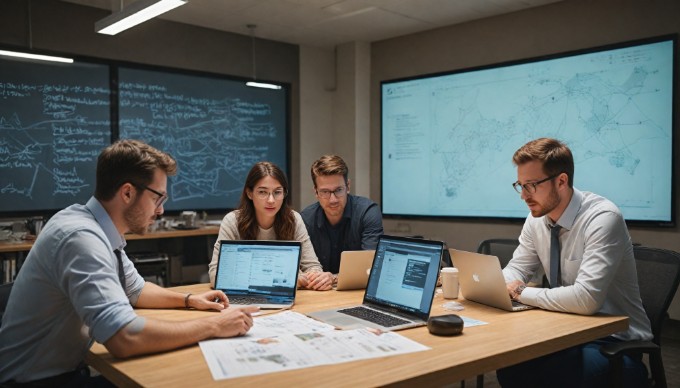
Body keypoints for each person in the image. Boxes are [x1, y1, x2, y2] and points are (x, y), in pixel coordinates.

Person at [0, 139, 257, 386]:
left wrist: (189, 300)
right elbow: (124, 337)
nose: (160, 211)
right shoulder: (80, 238)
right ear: (127, 192)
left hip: (61, 371)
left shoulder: (96, 227)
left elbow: (134, 289)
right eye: (158, 198)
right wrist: (215, 325)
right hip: (35, 382)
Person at [496, 138, 652, 388]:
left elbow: (586, 299)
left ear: (561, 180)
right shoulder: (537, 219)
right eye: (520, 185)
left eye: (532, 185)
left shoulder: (602, 218)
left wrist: (520, 291)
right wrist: (497, 286)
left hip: (614, 341)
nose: (524, 196)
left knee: (546, 375)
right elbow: (518, 268)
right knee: (511, 366)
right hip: (566, 330)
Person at [208, 161, 333, 291]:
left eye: (277, 192)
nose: (271, 200)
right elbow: (216, 275)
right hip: (247, 299)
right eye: (263, 192)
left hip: (290, 299)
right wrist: (286, 280)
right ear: (249, 193)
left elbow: (312, 267)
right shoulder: (233, 221)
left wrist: (318, 278)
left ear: (284, 193)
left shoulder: (293, 219)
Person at [300, 155, 384, 279]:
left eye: (338, 190)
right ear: (316, 192)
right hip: (318, 293)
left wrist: (333, 278)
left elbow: (371, 267)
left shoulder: (367, 212)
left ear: (348, 186)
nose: (333, 199)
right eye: (325, 192)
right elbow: (300, 267)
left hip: (355, 292)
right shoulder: (305, 219)